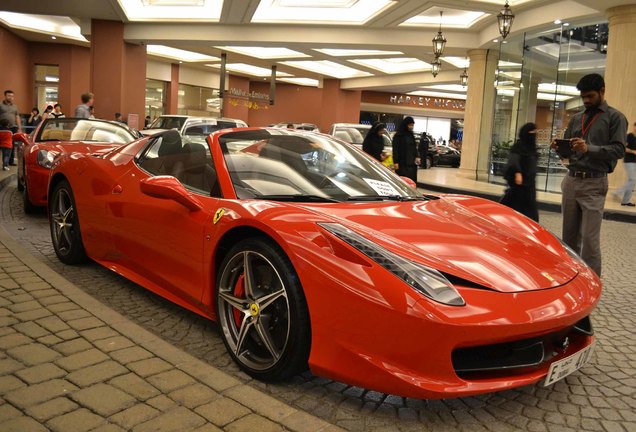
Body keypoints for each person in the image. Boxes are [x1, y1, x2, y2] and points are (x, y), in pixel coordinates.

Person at [551, 73, 627, 276]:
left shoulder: (615, 118)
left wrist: (589, 149)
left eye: (590, 96)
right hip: (571, 180)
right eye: (583, 97)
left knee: (590, 240)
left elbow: (619, 150)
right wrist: (558, 148)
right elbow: (567, 149)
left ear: (602, 91)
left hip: (594, 182)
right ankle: (570, 279)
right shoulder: (577, 118)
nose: (586, 100)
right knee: (568, 237)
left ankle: (592, 282)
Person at [501, 122, 539, 222]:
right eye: (532, 132)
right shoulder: (518, 146)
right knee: (514, 209)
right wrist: (518, 172)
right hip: (519, 184)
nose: (534, 134)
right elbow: (514, 160)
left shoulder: (532, 148)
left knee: (530, 212)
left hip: (530, 185)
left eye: (535, 132)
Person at [613, 121, 636, 206]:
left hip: (635, 162)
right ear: (634, 127)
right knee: (633, 180)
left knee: (632, 181)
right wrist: (633, 151)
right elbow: (624, 148)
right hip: (629, 161)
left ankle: (625, 201)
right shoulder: (629, 136)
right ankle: (617, 192)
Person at [392, 116, 419, 183]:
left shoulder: (411, 135)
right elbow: (395, 149)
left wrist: (417, 156)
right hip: (402, 164)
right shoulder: (398, 135)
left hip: (412, 164)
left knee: (411, 181)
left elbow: (414, 147)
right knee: (403, 181)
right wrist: (396, 162)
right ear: (405, 125)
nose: (411, 127)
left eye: (412, 125)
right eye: (410, 125)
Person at [0, 90, 22, 165]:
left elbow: (17, 116)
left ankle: (10, 161)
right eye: (9, 96)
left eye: (12, 96)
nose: (11, 97)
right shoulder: (0, 105)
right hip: (1, 128)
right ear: (5, 96)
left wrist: (19, 128)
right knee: (1, 145)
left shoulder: (14, 106)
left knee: (11, 144)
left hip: (12, 128)